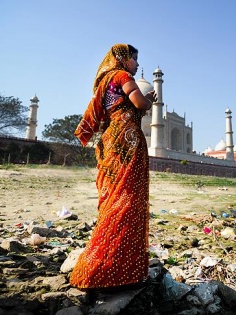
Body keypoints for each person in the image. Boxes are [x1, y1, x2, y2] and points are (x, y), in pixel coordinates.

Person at [70, 44, 157, 290]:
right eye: (135, 59)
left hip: (111, 139)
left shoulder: (105, 80)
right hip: (127, 139)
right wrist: (149, 100)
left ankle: (99, 266)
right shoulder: (122, 76)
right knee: (128, 197)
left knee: (116, 197)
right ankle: (112, 271)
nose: (137, 65)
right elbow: (139, 103)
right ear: (124, 58)